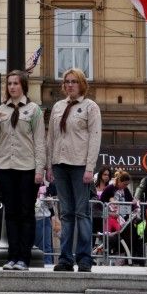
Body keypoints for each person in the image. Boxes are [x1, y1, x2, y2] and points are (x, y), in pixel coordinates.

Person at [0, 69, 45, 271]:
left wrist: (40, 169)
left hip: (27, 168)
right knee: (10, 214)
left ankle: (24, 258)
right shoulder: (0, 111)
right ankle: (12, 257)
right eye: (9, 84)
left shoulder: (34, 110)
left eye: (16, 83)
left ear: (23, 86)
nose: (12, 87)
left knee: (26, 213)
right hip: (5, 167)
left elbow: (39, 142)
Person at [47, 67, 101, 272]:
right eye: (67, 81)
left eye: (74, 81)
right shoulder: (58, 107)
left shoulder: (90, 107)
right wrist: (49, 165)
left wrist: (90, 167)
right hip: (60, 165)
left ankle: (85, 259)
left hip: (80, 166)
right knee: (66, 214)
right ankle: (65, 259)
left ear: (82, 84)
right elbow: (51, 137)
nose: (70, 85)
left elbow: (95, 138)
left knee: (82, 213)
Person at [91, 165, 112, 235]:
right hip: (94, 215)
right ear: (100, 175)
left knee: (105, 237)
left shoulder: (110, 188)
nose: (107, 177)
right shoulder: (94, 187)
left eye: (108, 175)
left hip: (105, 215)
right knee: (92, 235)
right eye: (105, 174)